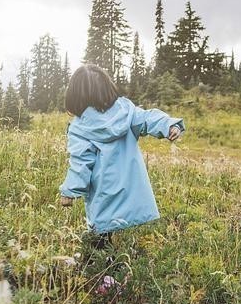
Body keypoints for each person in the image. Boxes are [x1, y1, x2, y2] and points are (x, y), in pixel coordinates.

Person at [59, 64, 185, 246]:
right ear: (107, 87)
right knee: (122, 237)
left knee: (99, 238)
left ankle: (103, 268)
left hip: (103, 192)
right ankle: (120, 262)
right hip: (130, 188)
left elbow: (81, 161)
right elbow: (148, 118)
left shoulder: (80, 127)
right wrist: (169, 125)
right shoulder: (126, 110)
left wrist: (70, 191)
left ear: (75, 95)